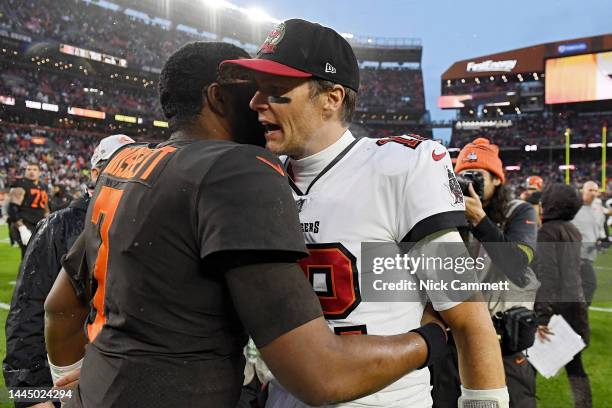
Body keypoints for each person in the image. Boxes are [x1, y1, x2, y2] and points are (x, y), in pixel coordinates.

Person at [44, 41, 449, 408]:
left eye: (272, 89)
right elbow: (319, 374)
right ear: (219, 98)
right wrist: (430, 338)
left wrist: (76, 380)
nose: (258, 101)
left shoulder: (125, 165)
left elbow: (59, 308)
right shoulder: (237, 168)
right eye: (250, 86)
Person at [222, 19, 507, 408]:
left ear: (331, 98)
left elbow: (470, 321)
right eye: (258, 90)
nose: (256, 102)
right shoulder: (258, 179)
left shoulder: (396, 167)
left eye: (276, 91)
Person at [2, 135, 135, 408]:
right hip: (70, 374)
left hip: (125, 377)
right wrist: (32, 396)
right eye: (117, 166)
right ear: (96, 173)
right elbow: (29, 311)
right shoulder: (59, 226)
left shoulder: (144, 223)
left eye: (131, 167)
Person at [437, 137, 539, 408]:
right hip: (454, 340)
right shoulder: (447, 213)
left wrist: (480, 221)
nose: (469, 184)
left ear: (497, 179)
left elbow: (517, 266)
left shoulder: (519, 211)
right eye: (462, 177)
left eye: (477, 176)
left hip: (504, 342)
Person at [533, 183, 591, 408]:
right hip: (575, 307)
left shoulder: (547, 233)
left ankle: (525, 403)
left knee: (528, 366)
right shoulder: (572, 230)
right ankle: (584, 405)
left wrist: (541, 316)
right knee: (576, 367)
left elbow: (547, 278)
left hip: (555, 311)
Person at [572, 181, 605, 305]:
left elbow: (598, 228)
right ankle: (579, 313)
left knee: (578, 287)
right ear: (583, 191)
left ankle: (573, 315)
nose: (593, 193)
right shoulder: (574, 207)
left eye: (596, 190)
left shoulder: (597, 207)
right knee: (590, 284)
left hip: (590, 254)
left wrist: (600, 239)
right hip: (577, 255)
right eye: (590, 190)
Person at [9, 163, 49, 257]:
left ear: (39, 172)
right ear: (25, 171)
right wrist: (22, 229)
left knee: (40, 256)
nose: (31, 172)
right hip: (24, 224)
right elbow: (13, 209)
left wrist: (49, 220)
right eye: (29, 169)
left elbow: (45, 206)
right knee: (29, 256)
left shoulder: (42, 186)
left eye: (34, 169)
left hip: (38, 225)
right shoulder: (21, 184)